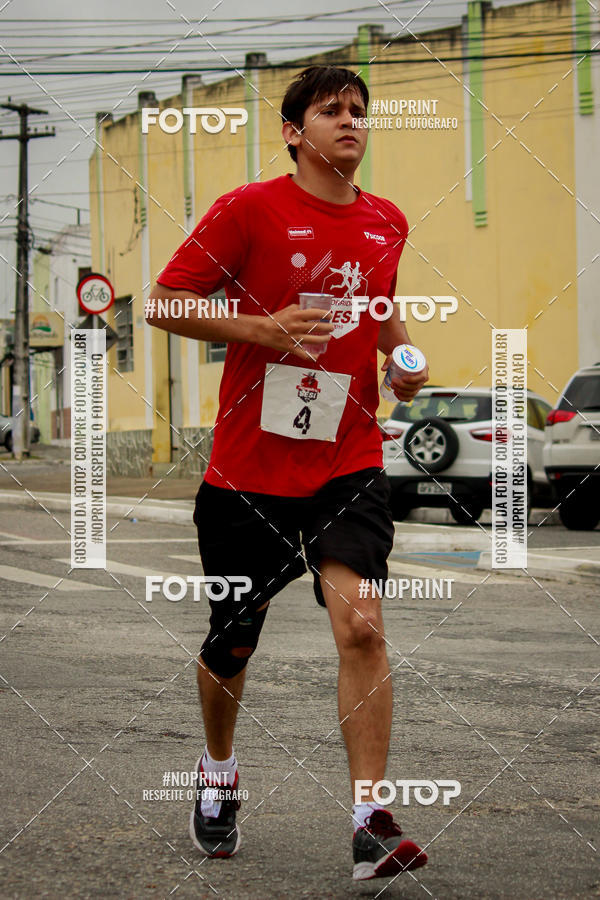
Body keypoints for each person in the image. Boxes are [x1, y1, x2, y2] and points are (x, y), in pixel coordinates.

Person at [146, 64, 430, 882]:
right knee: (232, 643)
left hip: (349, 457)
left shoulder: (387, 221)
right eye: (331, 110)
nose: (350, 120)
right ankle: (218, 773)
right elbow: (164, 300)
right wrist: (258, 328)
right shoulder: (248, 210)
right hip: (249, 469)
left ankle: (370, 819)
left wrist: (401, 357)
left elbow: (378, 308)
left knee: (363, 625)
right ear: (294, 132)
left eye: (359, 110)